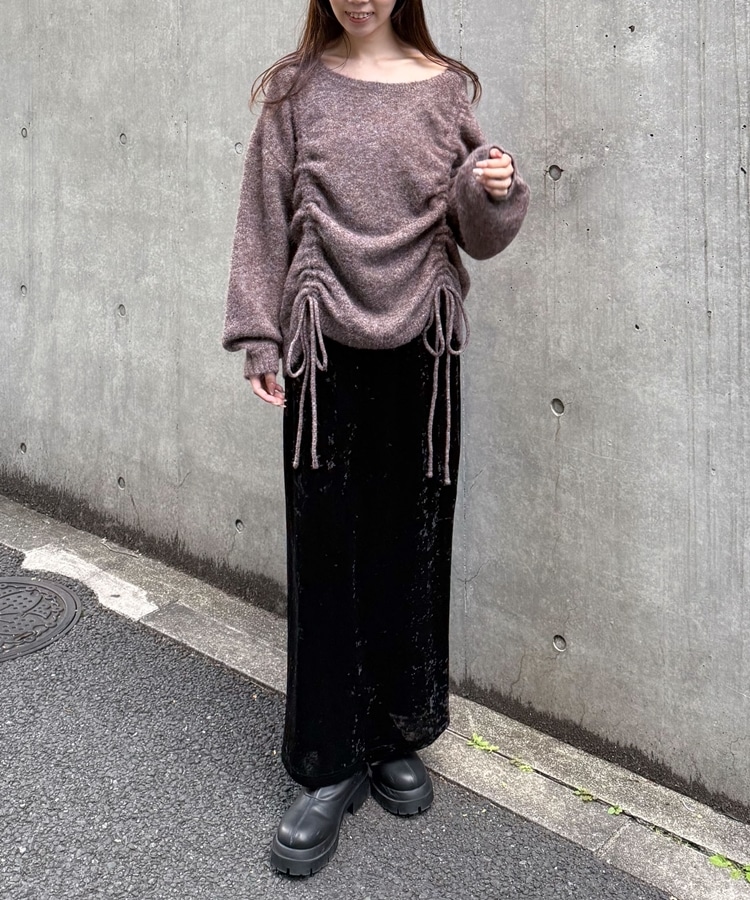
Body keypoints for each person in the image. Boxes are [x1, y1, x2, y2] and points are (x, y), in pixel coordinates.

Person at [222, 0, 530, 877]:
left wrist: (492, 189)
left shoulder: (445, 90)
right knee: (327, 552)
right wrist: (259, 334)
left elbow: (476, 231)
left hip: (424, 353)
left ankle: (396, 729)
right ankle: (329, 760)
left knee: (410, 545)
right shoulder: (295, 91)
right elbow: (261, 215)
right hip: (321, 347)